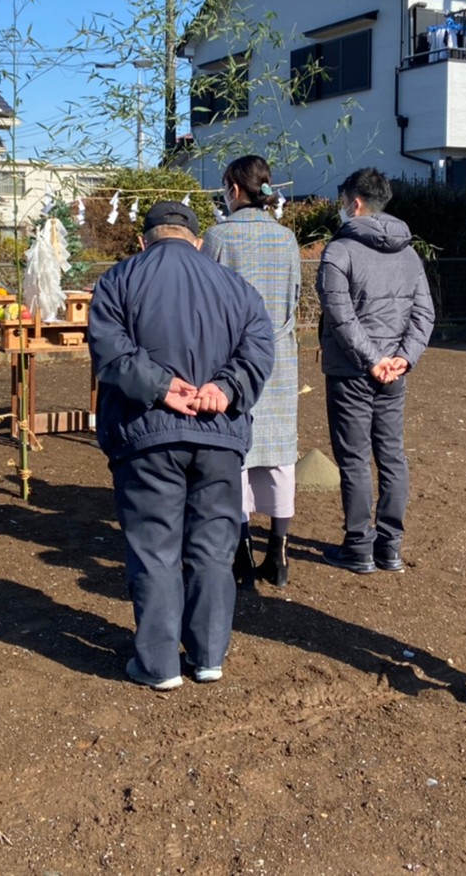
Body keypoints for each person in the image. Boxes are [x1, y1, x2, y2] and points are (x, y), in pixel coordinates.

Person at [88, 200, 275, 689]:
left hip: (147, 434)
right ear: (197, 239)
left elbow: (109, 350)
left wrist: (160, 385)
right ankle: (209, 655)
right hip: (218, 434)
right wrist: (227, 387)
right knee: (214, 547)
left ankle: (158, 664)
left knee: (154, 547)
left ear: (144, 239)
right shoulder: (236, 287)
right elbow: (259, 345)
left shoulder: (117, 281)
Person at [317, 167, 434, 574]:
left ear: (356, 203)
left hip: (351, 371)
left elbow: (340, 316)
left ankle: (359, 546)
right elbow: (424, 313)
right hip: (393, 372)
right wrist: (404, 357)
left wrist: (372, 359)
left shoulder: (339, 251)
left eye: (343, 200)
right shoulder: (408, 252)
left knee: (353, 459)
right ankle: (390, 546)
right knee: (391, 455)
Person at [202, 156, 301, 589]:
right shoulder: (287, 239)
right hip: (279, 355)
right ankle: (278, 553)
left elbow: (205, 302)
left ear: (235, 190)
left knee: (236, 454)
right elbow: (295, 296)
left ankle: (241, 551)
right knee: (279, 455)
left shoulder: (219, 237)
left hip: (232, 359)